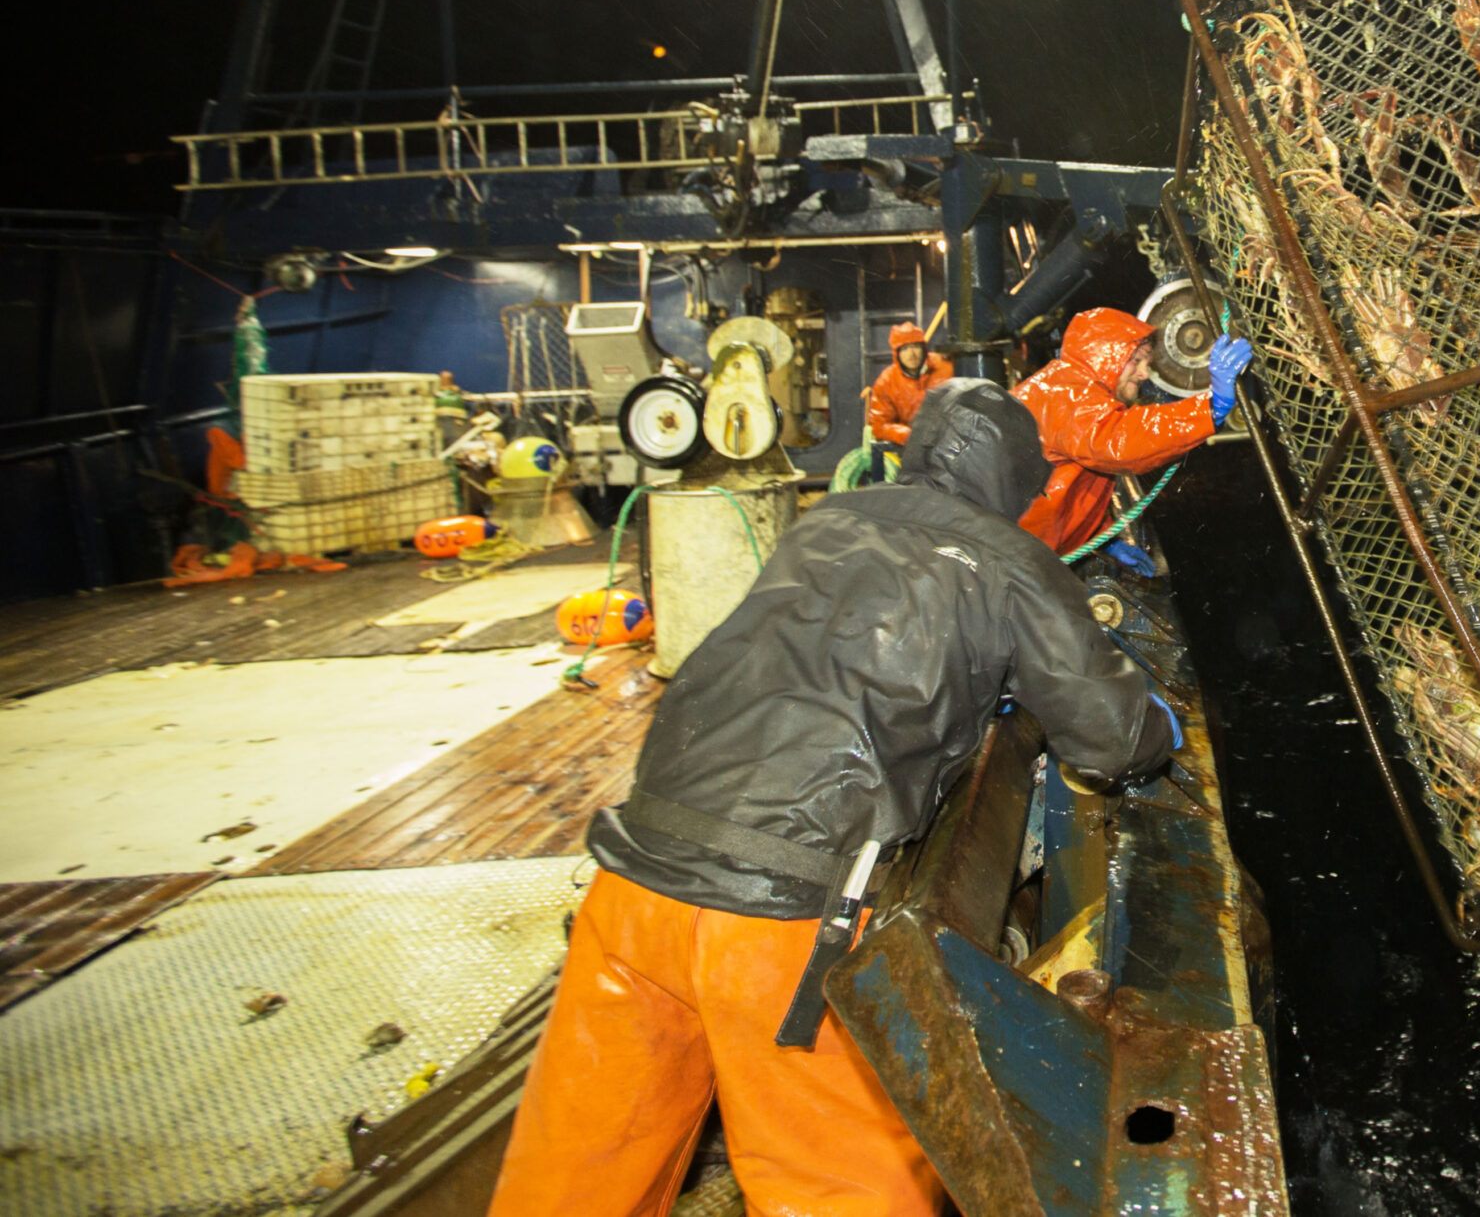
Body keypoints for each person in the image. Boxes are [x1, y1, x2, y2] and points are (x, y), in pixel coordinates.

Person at [489, 379, 1178, 1217]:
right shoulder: (1010, 563)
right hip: (781, 921)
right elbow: (1112, 737)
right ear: (1017, 479)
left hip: (634, 883)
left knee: (577, 1170)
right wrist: (1158, 724)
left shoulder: (825, 522)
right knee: (836, 1188)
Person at [1011, 306, 1253, 559]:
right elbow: (1119, 442)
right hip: (1013, 557)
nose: (1144, 374)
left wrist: (1099, 539)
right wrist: (1210, 408)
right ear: (1102, 354)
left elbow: (1071, 489)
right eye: (1136, 360)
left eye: (1147, 363)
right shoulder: (1065, 394)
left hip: (1024, 547)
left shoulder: (1064, 388)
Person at [864, 321, 953, 452]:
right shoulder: (886, 382)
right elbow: (879, 426)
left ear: (924, 349)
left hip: (948, 443)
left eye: (916, 347)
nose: (911, 354)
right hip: (909, 450)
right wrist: (908, 435)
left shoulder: (946, 368)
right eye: (905, 349)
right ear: (897, 353)